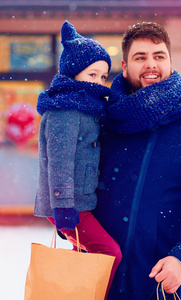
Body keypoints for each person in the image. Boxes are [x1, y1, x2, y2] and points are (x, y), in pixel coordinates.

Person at [93, 21, 181, 299]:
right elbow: (78, 190)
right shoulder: (103, 122)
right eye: (140, 57)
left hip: (156, 281)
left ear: (170, 62)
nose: (150, 64)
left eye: (158, 56)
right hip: (96, 278)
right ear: (125, 64)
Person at [34, 21, 122, 299]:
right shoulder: (65, 111)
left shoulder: (86, 108)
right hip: (71, 204)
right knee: (110, 252)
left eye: (103, 77)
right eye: (92, 74)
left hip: (80, 202)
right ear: (73, 74)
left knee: (83, 255)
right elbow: (58, 163)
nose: (98, 82)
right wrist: (63, 208)